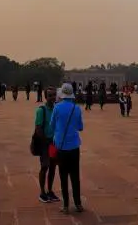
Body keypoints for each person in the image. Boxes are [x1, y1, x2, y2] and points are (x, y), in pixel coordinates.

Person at [50, 83, 86, 213]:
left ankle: (65, 205)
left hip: (61, 146)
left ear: (62, 95)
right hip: (74, 146)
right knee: (75, 176)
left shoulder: (57, 108)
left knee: (63, 175)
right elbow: (80, 127)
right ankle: (78, 204)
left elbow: (52, 125)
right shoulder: (76, 108)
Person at [33, 88, 59, 203]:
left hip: (53, 143)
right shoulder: (41, 110)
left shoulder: (56, 109)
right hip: (45, 142)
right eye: (50, 95)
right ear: (45, 97)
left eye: (54, 95)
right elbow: (38, 128)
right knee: (44, 167)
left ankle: (50, 191)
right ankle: (42, 192)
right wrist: (45, 142)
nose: (52, 97)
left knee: (53, 167)